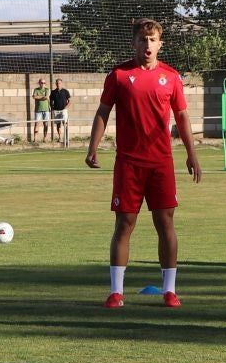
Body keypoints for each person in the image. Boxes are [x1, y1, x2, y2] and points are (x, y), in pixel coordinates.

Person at [85, 20, 203, 307]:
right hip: (128, 163)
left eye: (152, 40)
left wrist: (192, 153)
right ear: (133, 43)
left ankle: (170, 290)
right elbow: (103, 112)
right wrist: (93, 147)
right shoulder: (119, 75)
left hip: (161, 163)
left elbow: (182, 117)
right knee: (124, 223)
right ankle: (116, 292)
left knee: (165, 223)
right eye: (142, 39)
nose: (147, 45)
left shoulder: (171, 77)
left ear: (160, 44)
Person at [49, 79, 71, 144]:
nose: (58, 84)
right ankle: (60, 138)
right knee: (58, 125)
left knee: (65, 123)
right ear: (55, 84)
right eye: (57, 83)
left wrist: (66, 107)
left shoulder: (65, 91)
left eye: (59, 83)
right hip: (56, 111)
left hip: (63, 110)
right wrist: (52, 107)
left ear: (61, 83)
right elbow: (50, 101)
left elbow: (70, 101)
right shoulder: (53, 92)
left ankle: (66, 138)